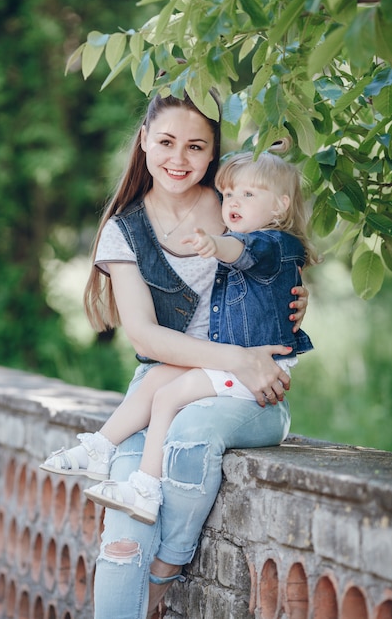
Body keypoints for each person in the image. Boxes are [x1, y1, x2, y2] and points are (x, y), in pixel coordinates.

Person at [41, 90, 309, 618]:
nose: (178, 159)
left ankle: (163, 579)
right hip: (164, 384)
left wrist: (297, 299)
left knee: (190, 437)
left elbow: (278, 264)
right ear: (143, 142)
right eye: (165, 142)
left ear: (213, 154)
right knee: (120, 540)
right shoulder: (125, 231)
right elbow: (144, 337)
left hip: (242, 393)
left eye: (195, 146)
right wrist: (238, 357)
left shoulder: (236, 204)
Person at [44, 150, 318, 527]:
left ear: (281, 205)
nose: (234, 203)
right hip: (234, 356)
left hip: (255, 367)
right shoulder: (258, 240)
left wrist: (214, 244)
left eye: (249, 195)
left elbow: (244, 252)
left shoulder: (273, 243)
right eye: (230, 194)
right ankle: (101, 446)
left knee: (167, 396)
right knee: (157, 378)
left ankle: (146, 488)